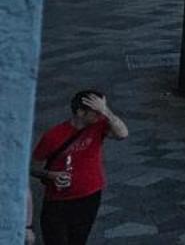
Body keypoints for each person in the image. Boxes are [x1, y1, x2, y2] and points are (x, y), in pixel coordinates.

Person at [30, 90, 127, 245]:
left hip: (90, 196)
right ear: (80, 112)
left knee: (79, 240)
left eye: (101, 110)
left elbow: (122, 134)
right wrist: (50, 175)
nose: (100, 115)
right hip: (59, 201)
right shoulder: (53, 136)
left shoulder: (100, 124)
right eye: (96, 111)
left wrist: (106, 111)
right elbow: (32, 167)